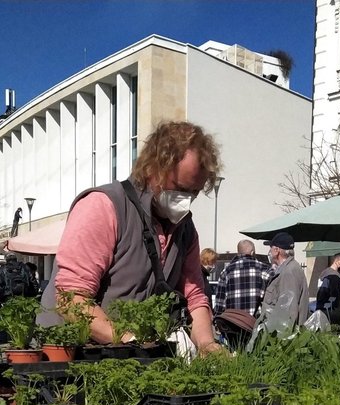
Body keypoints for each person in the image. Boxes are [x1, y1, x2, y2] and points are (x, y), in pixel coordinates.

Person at [37, 120, 222, 354]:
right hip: (67, 355)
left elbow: (195, 296)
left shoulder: (186, 229)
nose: (185, 199)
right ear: (152, 169)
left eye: (193, 192)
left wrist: (208, 345)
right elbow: (72, 297)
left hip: (127, 355)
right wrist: (132, 341)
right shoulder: (104, 206)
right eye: (178, 188)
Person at [260, 232, 308, 330]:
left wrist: (282, 339)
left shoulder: (288, 272)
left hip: (284, 336)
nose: (269, 252)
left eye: (271, 248)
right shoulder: (288, 268)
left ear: (277, 250)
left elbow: (289, 311)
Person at [213, 239, 270, 317]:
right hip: (256, 323)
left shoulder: (226, 271)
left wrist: (217, 318)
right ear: (252, 252)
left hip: (233, 322)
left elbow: (220, 302)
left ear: (238, 253)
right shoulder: (264, 269)